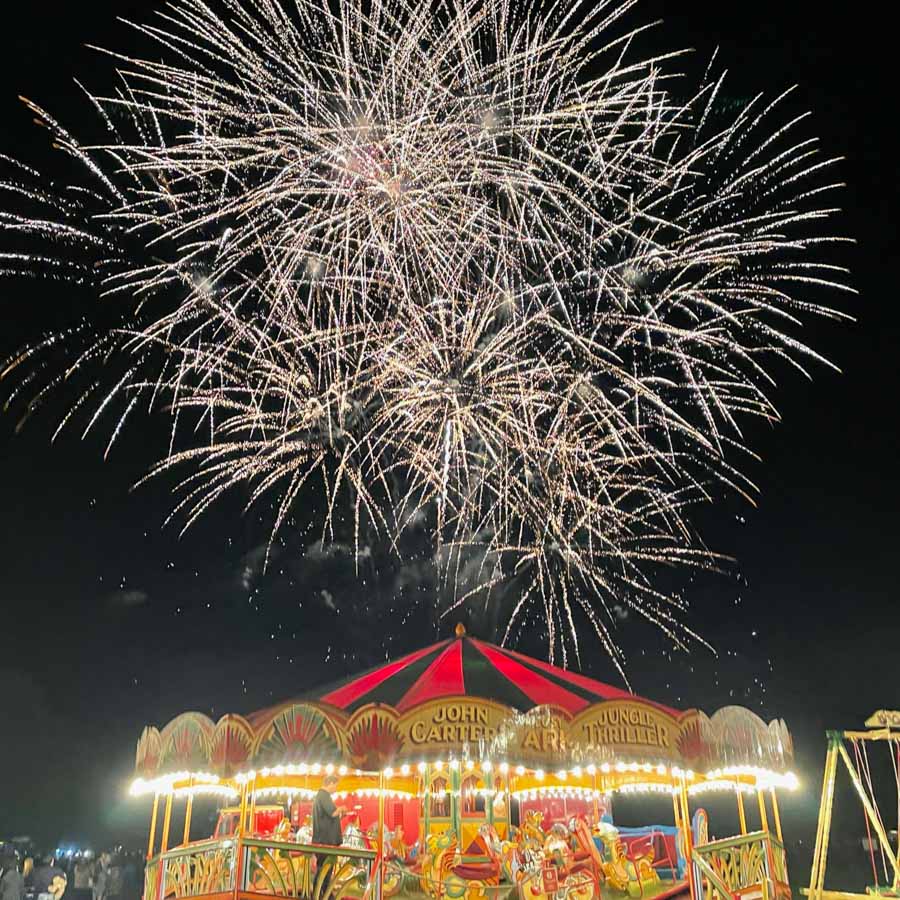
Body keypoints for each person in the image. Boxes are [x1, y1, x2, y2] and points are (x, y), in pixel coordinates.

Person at [311, 774, 346, 884]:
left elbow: (329, 817)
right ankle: (321, 893)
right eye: (335, 786)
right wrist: (341, 809)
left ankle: (322, 892)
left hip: (323, 839)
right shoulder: (324, 796)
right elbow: (332, 812)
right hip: (326, 840)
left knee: (324, 868)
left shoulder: (320, 796)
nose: (336, 789)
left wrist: (340, 815)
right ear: (330, 783)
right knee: (324, 869)